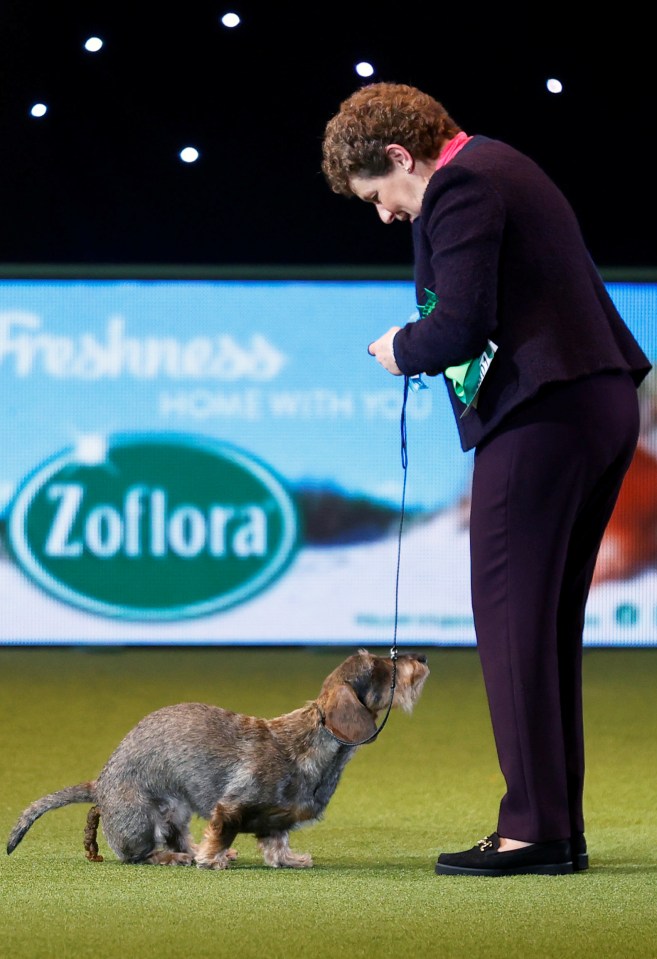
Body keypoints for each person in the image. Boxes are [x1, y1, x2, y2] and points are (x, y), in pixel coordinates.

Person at [321, 81, 652, 877]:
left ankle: (534, 830)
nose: (385, 214)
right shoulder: (503, 164)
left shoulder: (462, 184)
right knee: (539, 630)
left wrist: (399, 347)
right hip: (595, 406)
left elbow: (460, 322)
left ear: (400, 156)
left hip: (545, 415)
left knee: (511, 628)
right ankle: (552, 828)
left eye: (380, 194)